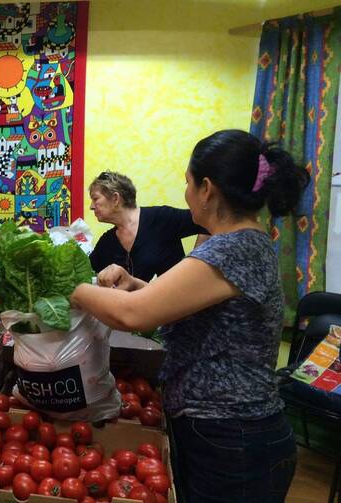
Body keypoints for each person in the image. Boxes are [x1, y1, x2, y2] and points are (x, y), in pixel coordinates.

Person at [71, 130, 309, 502]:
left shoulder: (233, 249)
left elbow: (134, 316)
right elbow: (168, 301)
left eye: (187, 182)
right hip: (226, 434)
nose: (185, 192)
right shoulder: (239, 242)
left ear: (207, 189)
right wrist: (134, 282)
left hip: (234, 439)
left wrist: (67, 287)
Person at [88, 171, 207, 281]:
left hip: (176, 302)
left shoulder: (162, 218)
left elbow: (209, 220)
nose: (91, 206)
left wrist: (196, 260)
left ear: (115, 199)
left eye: (95, 198)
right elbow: (87, 271)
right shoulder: (107, 242)